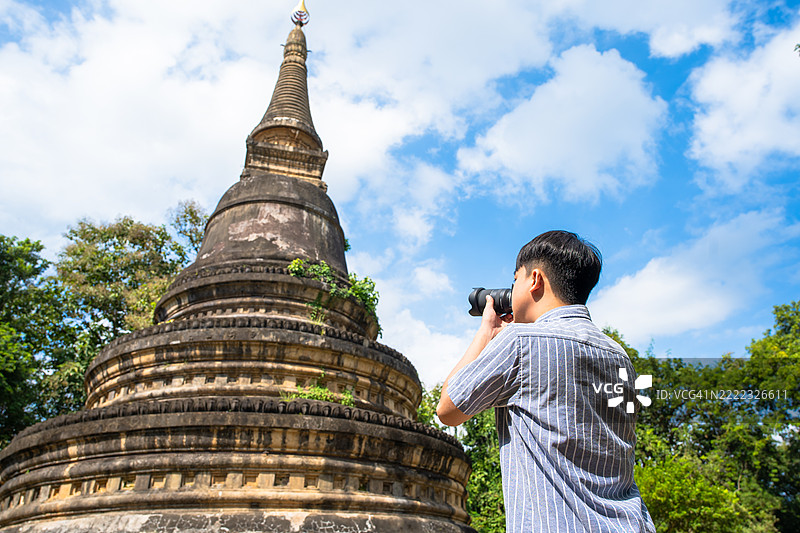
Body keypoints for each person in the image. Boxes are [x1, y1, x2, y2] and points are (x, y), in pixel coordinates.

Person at [437, 230, 656, 533]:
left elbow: (448, 409)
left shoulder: (520, 342)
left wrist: (487, 331)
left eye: (515, 280)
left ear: (535, 279)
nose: (512, 290)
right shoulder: (619, 356)